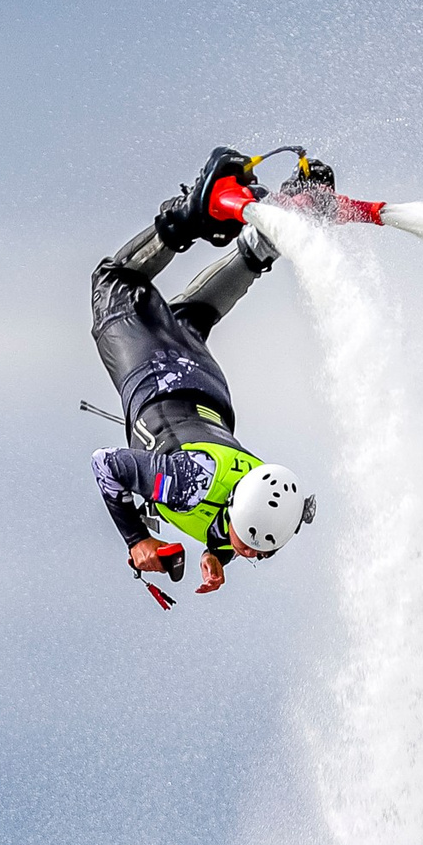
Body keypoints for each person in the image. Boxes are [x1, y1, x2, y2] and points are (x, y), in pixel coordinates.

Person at [88, 147, 320, 603]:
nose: (247, 556)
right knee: (112, 285)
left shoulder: (261, 485)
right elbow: (107, 465)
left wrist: (217, 552)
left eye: (256, 554)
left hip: (204, 384)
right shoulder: (186, 482)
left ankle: (276, 228)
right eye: (250, 549)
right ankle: (191, 213)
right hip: (158, 374)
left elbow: (236, 516)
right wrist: (137, 539)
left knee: (187, 320)